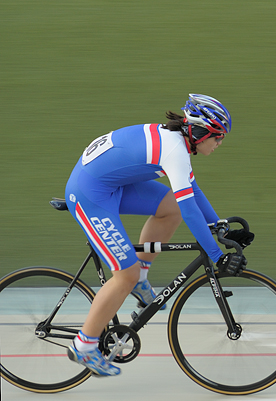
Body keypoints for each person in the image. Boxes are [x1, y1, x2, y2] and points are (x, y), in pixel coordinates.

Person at [63, 94, 248, 377]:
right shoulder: (175, 151)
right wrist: (216, 256)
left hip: (110, 183)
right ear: (200, 133)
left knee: (169, 208)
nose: (220, 144)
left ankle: (141, 276)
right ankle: (84, 346)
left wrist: (218, 224)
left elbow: (192, 193)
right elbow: (190, 211)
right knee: (125, 275)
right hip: (91, 193)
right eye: (218, 137)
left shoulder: (178, 145)